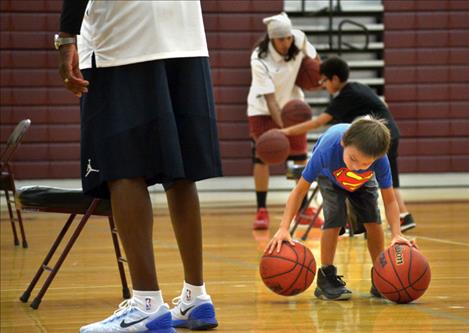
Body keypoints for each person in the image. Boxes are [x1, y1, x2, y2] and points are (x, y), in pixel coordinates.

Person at [57, 1, 222, 332]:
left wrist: (65, 36)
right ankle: (196, 297)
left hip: (123, 38)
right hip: (186, 35)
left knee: (122, 167)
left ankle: (146, 305)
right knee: (181, 170)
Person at [266, 117, 415, 300]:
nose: (356, 167)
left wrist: (396, 234)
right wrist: (283, 228)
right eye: (353, 159)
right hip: (329, 177)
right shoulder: (327, 150)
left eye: (365, 164)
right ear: (344, 142)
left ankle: (380, 274)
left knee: (373, 220)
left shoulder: (380, 158)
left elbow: (390, 201)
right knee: (334, 218)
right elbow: (299, 191)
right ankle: (326, 276)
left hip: (362, 183)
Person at [282, 56, 416, 232]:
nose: (323, 85)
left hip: (376, 138)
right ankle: (402, 216)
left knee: (376, 180)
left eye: (324, 80)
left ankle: (395, 217)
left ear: (335, 79)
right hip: (388, 133)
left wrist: (286, 132)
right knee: (388, 181)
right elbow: (383, 103)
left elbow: (317, 122)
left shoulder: (346, 97)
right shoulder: (359, 87)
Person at [247, 12, 320, 230]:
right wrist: (283, 130)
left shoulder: (299, 38)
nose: (287, 42)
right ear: (271, 39)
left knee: (299, 158)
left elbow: (316, 62)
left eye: (288, 37)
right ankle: (261, 210)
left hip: (292, 106)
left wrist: (317, 77)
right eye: (281, 39)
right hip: (262, 110)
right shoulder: (259, 59)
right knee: (262, 157)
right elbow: (270, 100)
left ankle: (303, 207)